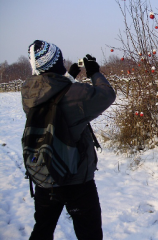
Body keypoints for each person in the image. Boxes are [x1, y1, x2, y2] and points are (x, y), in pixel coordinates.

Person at [21, 40, 116, 240]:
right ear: (56, 63)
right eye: (60, 59)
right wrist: (94, 72)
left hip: (44, 173)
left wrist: (68, 76)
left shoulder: (28, 92)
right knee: (89, 233)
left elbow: (53, 92)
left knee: (42, 229)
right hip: (76, 178)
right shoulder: (76, 94)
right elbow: (106, 95)